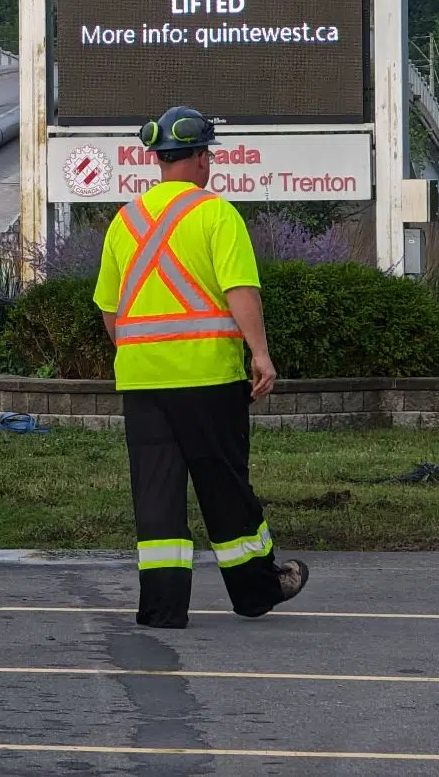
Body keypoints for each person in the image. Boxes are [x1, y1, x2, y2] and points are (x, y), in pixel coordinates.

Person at [93, 105, 307, 629]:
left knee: (157, 494)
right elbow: (240, 290)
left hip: (143, 380)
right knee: (224, 486)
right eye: (207, 153)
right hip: (208, 377)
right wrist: (260, 353)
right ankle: (255, 591)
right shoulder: (215, 213)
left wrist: (140, 351)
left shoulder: (126, 220)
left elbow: (108, 307)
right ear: (200, 158)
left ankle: (162, 608)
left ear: (159, 160)